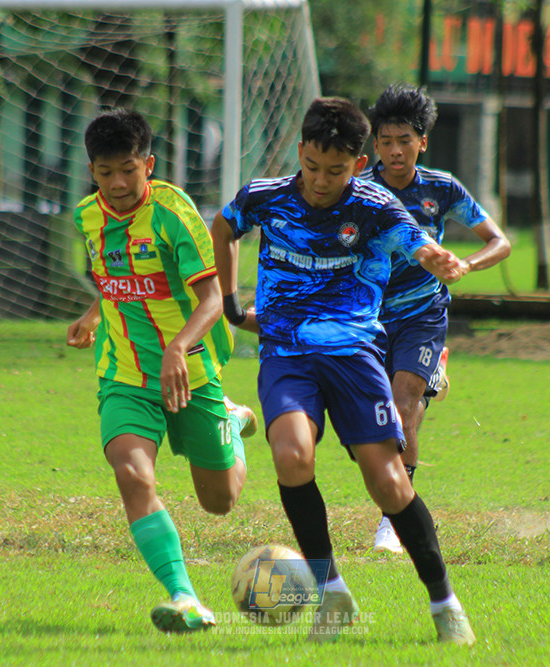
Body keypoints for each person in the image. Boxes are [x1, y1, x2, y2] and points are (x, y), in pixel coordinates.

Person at [211, 97, 476, 645]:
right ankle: (332, 594)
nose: (320, 180)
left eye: (335, 171)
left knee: (388, 481)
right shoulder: (266, 197)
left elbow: (419, 244)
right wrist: (232, 306)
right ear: (300, 151)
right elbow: (224, 226)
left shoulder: (375, 204)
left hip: (355, 355)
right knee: (290, 455)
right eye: (311, 166)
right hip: (286, 353)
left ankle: (444, 600)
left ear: (357, 164)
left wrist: (440, 260)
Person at [66, 108, 258, 634]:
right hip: (124, 375)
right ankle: (184, 597)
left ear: (148, 164)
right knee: (132, 476)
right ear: (92, 172)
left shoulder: (175, 213)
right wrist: (90, 316)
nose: (118, 183)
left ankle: (234, 422)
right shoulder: (87, 216)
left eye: (128, 169)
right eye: (105, 173)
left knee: (219, 502)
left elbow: (213, 298)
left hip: (190, 373)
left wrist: (177, 347)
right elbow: (115, 277)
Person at [362, 83, 511, 553]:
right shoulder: (360, 189)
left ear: (421, 142)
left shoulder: (441, 188)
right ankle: (433, 375)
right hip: (368, 318)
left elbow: (499, 240)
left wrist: (466, 265)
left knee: (404, 413)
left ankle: (393, 521)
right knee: (374, 424)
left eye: (404, 140)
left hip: (424, 314)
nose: (394, 151)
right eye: (385, 142)